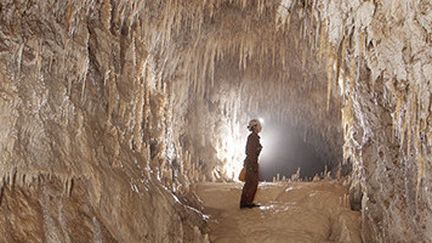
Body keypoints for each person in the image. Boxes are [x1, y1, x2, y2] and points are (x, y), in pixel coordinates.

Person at [240, 119, 263, 209]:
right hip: (251, 163)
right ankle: (246, 203)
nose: (260, 128)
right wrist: (253, 164)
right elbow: (251, 152)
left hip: (251, 162)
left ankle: (247, 202)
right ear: (254, 127)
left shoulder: (254, 137)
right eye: (258, 126)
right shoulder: (253, 137)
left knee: (251, 183)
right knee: (251, 183)